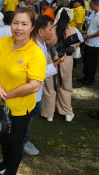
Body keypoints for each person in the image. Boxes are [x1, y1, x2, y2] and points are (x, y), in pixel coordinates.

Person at [0, 8, 46, 175]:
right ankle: (5, 162)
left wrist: (4, 94)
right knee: (2, 135)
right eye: (15, 23)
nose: (19, 28)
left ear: (32, 27)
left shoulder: (36, 53)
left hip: (20, 108)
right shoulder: (4, 42)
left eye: (24, 24)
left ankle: (11, 170)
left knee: (15, 141)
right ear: (10, 24)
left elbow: (34, 85)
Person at [24, 15, 66, 156]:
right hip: (30, 90)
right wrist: (56, 64)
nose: (53, 31)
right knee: (29, 114)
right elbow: (38, 72)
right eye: (50, 28)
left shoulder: (41, 43)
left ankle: (22, 138)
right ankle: (23, 141)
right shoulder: (33, 46)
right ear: (41, 31)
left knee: (34, 111)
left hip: (36, 89)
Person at [41, 8, 80, 122]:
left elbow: (46, 43)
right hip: (66, 59)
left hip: (50, 59)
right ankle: (67, 113)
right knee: (66, 86)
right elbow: (76, 46)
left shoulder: (51, 30)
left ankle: (49, 114)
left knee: (49, 87)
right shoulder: (74, 30)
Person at [77, 0, 99, 85]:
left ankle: (90, 79)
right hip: (89, 41)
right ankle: (85, 77)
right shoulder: (94, 12)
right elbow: (93, 26)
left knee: (91, 62)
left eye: (92, 4)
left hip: (95, 43)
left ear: (97, 4)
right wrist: (86, 33)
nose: (90, 5)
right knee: (86, 61)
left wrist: (89, 36)